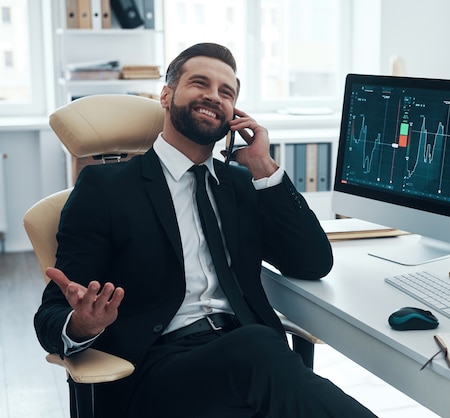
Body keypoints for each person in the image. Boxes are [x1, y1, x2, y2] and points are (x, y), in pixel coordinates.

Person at [34, 43, 377, 417]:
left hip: (248, 364)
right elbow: (52, 314)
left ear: (234, 114)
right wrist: (83, 324)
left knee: (258, 353)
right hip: (157, 371)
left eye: (226, 92)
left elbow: (312, 263)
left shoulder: (242, 185)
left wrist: (263, 167)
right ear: (166, 96)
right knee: (258, 350)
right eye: (200, 83)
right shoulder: (106, 188)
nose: (214, 96)